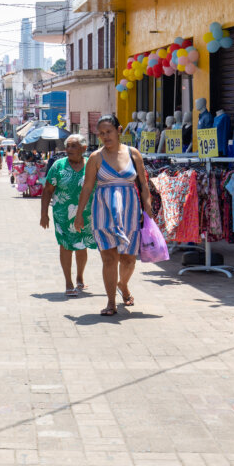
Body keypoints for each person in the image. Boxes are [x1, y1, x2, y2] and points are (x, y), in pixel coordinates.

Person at [74, 114, 154, 316]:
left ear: (119, 131)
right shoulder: (95, 157)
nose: (105, 136)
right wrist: (79, 214)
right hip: (103, 212)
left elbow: (143, 184)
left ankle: (123, 284)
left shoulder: (133, 154)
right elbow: (87, 187)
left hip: (130, 212)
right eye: (101, 133)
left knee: (128, 260)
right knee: (109, 259)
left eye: (108, 132)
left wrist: (148, 207)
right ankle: (111, 302)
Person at [40, 134, 97, 297]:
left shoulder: (91, 165)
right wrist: (44, 214)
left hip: (86, 214)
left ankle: (79, 276)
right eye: (68, 146)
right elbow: (47, 191)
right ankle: (68, 282)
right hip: (63, 214)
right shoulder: (58, 166)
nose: (69, 149)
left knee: (81, 245)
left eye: (73, 146)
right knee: (65, 245)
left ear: (84, 148)